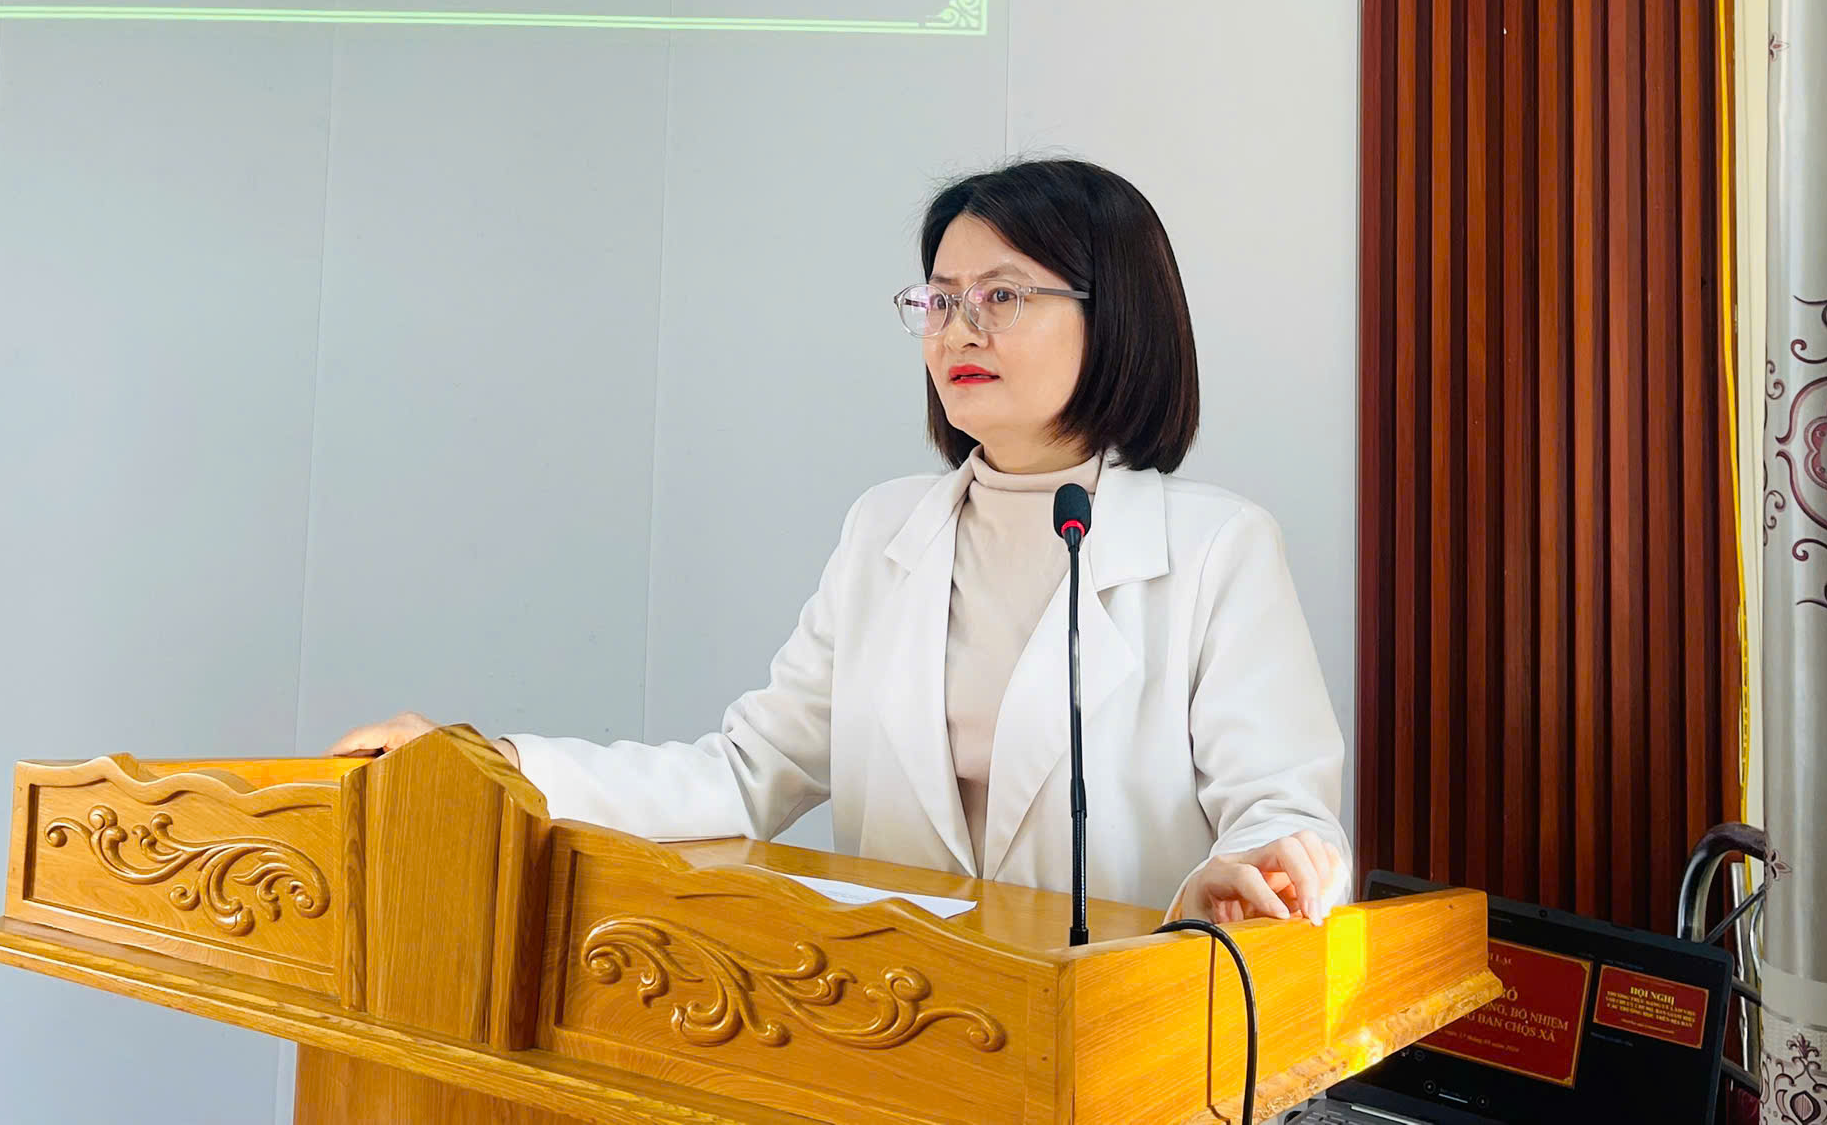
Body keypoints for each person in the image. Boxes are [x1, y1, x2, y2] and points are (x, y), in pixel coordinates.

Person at [329, 157, 1350, 927]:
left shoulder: (1215, 548)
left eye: (1001, 296)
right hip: (900, 1028)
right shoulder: (885, 532)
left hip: (1126, 1038)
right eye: (939, 300)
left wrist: (1242, 881)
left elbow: (1284, 815)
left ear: (1115, 316)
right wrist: (497, 763)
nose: (957, 330)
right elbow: (748, 774)